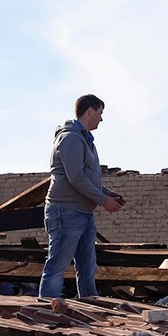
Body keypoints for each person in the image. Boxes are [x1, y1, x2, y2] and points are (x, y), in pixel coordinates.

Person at [39, 94, 125, 298]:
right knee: (57, 266)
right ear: (90, 111)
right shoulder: (70, 139)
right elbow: (75, 178)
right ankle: (45, 314)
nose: (101, 119)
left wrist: (105, 192)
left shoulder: (85, 140)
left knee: (87, 268)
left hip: (83, 213)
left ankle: (91, 308)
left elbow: (85, 176)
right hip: (66, 211)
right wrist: (103, 200)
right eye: (100, 113)